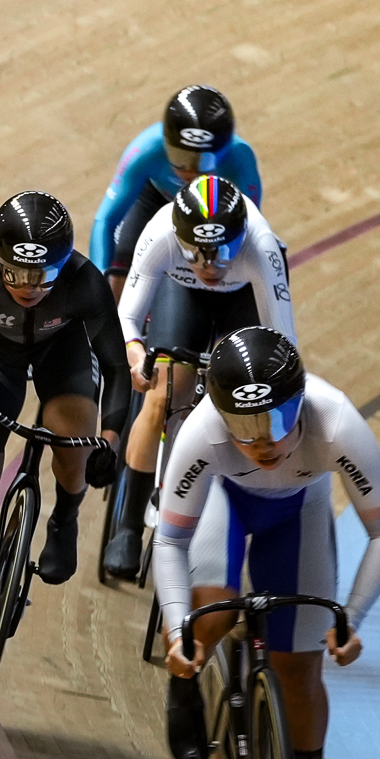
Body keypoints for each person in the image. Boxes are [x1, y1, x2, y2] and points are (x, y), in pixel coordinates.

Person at [152, 327, 380, 759]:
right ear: (221, 415)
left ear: (300, 403)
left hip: (299, 510)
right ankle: (185, 683)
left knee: (300, 668)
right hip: (224, 501)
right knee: (208, 620)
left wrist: (350, 619)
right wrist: (176, 631)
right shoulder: (202, 435)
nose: (261, 441)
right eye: (243, 427)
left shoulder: (335, 422)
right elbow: (169, 543)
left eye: (275, 420)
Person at [0, 192, 126, 685]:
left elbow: (117, 368)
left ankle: (64, 516)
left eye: (42, 276)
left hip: (64, 356)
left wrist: (110, 442)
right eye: (17, 274)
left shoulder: (86, 284)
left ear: (63, 265)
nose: (29, 287)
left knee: (72, 441)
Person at [102, 174, 293, 576]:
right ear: (179, 236)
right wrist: (137, 355)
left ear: (241, 239)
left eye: (223, 253)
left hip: (242, 298)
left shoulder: (262, 249)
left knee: (247, 400)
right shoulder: (159, 233)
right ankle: (129, 527)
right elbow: (128, 316)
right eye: (197, 253)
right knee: (163, 394)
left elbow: (281, 343)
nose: (209, 266)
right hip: (181, 294)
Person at [87, 85, 262, 302]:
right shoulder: (145, 150)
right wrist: (99, 277)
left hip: (212, 211)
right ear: (165, 142)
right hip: (155, 199)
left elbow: (250, 225)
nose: (189, 171)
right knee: (117, 276)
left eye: (202, 162)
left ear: (224, 153)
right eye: (179, 157)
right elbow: (106, 219)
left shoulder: (241, 158)